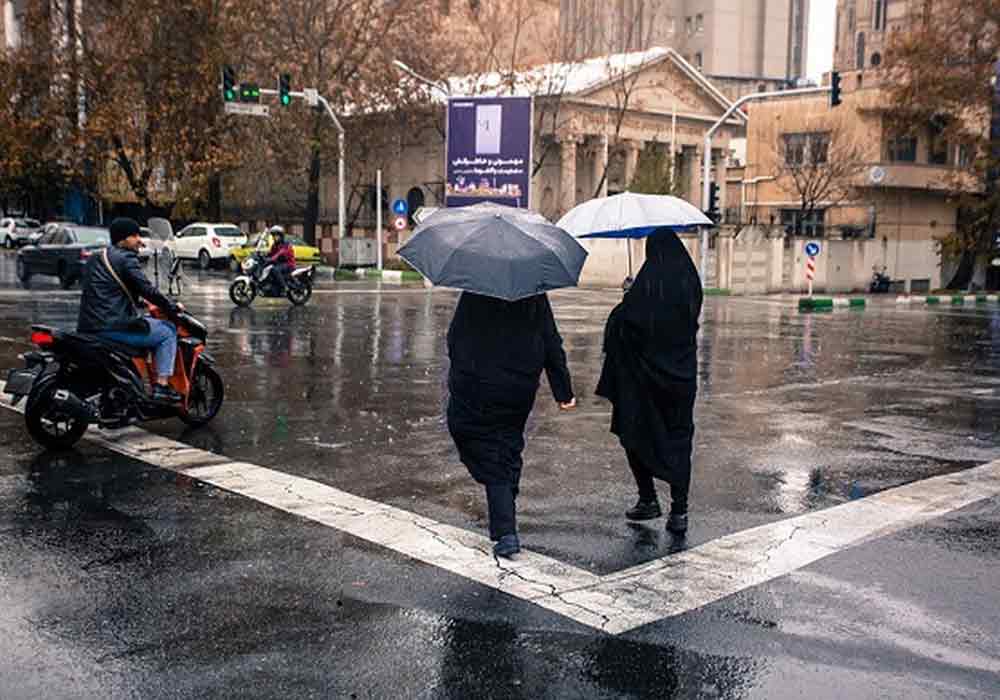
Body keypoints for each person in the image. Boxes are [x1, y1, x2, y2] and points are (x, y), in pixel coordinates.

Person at [447, 292, 576, 558]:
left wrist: (462, 373)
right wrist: (563, 390)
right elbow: (551, 341)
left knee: (487, 451)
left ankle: (506, 530)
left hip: (480, 384)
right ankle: (506, 495)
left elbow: (455, 337)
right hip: (520, 386)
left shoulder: (477, 289)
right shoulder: (534, 292)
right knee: (507, 443)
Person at [596, 230, 703, 535]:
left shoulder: (648, 286)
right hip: (681, 378)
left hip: (643, 382)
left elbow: (626, 325)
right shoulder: (689, 281)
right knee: (680, 441)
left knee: (635, 432)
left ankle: (648, 498)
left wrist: (628, 298)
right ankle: (679, 510)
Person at [77, 217, 185, 404]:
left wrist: (139, 302)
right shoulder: (126, 258)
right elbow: (147, 289)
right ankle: (162, 386)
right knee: (167, 332)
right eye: (135, 236)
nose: (140, 241)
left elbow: (108, 290)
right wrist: (172, 307)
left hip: (89, 325)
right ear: (122, 239)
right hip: (112, 326)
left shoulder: (97, 257)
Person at [266, 225, 296, 292]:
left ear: (281, 236)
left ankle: (284, 287)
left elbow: (280, 253)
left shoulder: (286, 244)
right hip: (280, 263)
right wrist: (263, 255)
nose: (274, 237)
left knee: (275, 270)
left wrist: (273, 258)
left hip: (288, 264)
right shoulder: (275, 245)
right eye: (273, 235)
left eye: (276, 235)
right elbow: (271, 253)